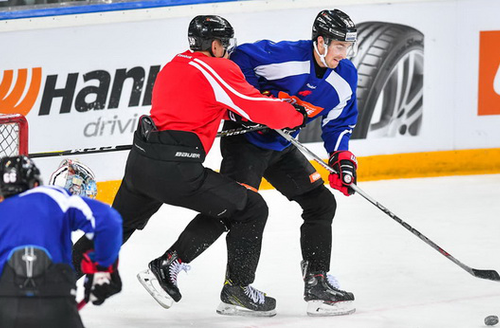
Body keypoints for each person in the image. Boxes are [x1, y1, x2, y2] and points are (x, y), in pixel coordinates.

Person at [72, 14, 307, 317]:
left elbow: (199, 106)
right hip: (177, 170)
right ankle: (234, 288)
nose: (225, 48)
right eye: (223, 43)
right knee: (251, 207)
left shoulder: (175, 64)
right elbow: (256, 107)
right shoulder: (218, 67)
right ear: (213, 44)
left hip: (141, 164)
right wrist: (295, 113)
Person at [172, 9, 359, 316]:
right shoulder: (286, 56)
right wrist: (256, 103)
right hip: (246, 141)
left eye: (347, 47)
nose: (344, 54)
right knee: (235, 209)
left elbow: (340, 122)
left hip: (280, 145)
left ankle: (317, 283)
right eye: (339, 46)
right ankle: (182, 268)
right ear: (321, 42)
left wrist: (341, 159)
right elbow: (238, 61)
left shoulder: (345, 76)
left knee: (321, 203)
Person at [0, 155, 123, 328]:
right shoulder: (52, 196)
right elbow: (110, 221)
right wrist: (102, 267)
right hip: (56, 303)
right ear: (35, 183)